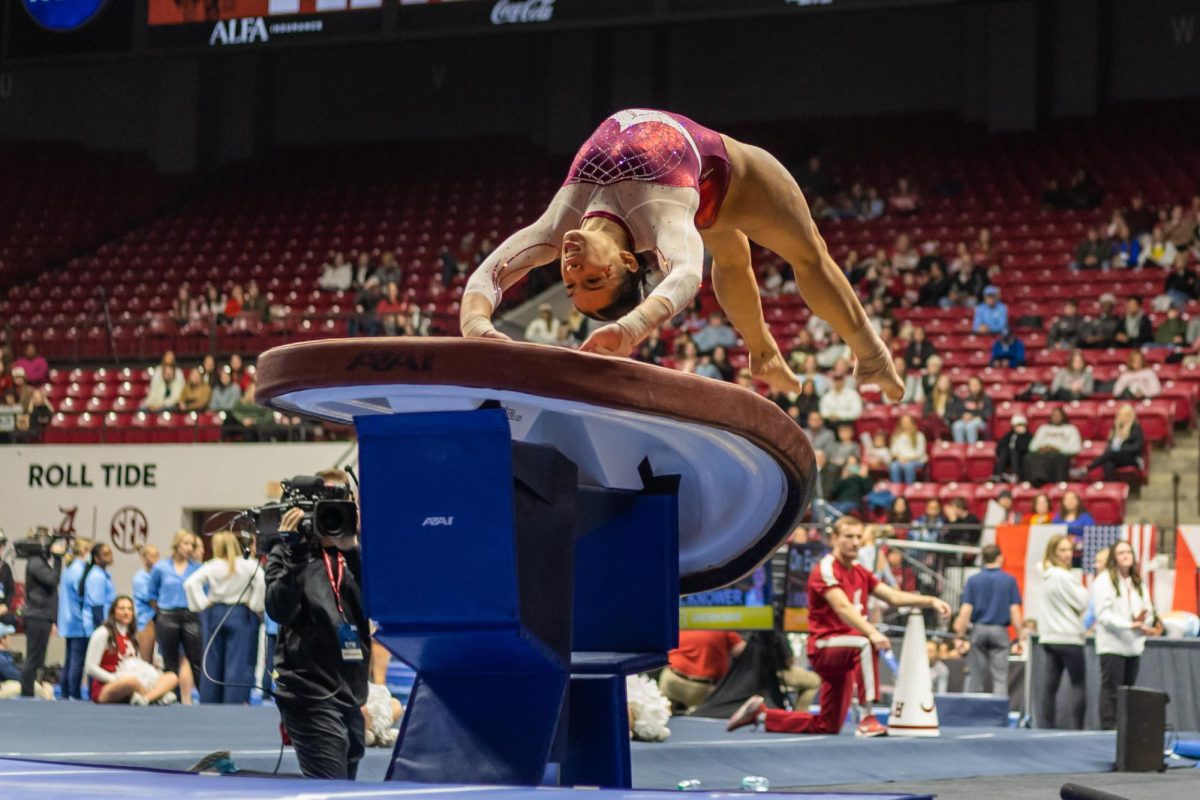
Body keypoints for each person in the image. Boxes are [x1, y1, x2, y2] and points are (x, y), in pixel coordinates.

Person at [460, 108, 904, 401]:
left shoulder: (559, 227)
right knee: (768, 257)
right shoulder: (662, 213)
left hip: (720, 178)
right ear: (628, 262)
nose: (572, 271)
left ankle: (856, 356)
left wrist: (476, 326)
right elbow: (688, 274)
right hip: (735, 186)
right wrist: (632, 330)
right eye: (592, 280)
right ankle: (850, 355)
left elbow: (488, 278)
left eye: (574, 285)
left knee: (795, 255)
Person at [726, 516, 950, 736]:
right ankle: (867, 718)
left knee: (828, 725)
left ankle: (762, 715)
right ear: (834, 538)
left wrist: (930, 600)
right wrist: (872, 632)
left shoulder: (860, 570)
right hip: (826, 647)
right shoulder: (826, 569)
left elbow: (892, 596)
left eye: (859, 537)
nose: (855, 542)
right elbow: (842, 607)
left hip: (847, 651)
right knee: (866, 643)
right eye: (849, 536)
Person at [267, 505, 371, 779]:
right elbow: (278, 609)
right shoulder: (286, 552)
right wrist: (296, 554)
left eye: (340, 507)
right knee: (331, 783)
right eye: (325, 509)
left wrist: (352, 549)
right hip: (308, 688)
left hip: (349, 687)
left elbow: (381, 603)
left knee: (347, 780)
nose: (332, 517)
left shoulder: (354, 556)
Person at [185, 531, 266, 704]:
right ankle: (235, 702)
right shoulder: (249, 564)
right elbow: (261, 582)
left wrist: (202, 604)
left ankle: (210, 701)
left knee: (211, 660)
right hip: (241, 614)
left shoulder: (212, 565)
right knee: (239, 661)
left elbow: (190, 583)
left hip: (215, 613)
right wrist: (255, 605)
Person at [1092, 541, 1161, 729]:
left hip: (1133, 645)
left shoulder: (1137, 581)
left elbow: (1148, 609)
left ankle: (1124, 730)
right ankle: (1108, 729)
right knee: (1112, 690)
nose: (1125, 555)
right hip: (1112, 645)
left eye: (1129, 552)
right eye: (1121, 552)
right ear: (1114, 557)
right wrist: (1130, 625)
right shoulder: (1104, 580)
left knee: (1128, 692)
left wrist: (1144, 624)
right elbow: (1103, 615)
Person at [953, 544, 1023, 696]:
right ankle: (998, 715)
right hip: (999, 631)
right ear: (1000, 557)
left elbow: (966, 610)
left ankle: (972, 713)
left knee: (975, 677)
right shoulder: (1009, 580)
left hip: (979, 629)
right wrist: (1020, 637)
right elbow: (1015, 611)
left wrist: (960, 635)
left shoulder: (973, 580)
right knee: (1000, 678)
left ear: (983, 559)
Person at [1035, 534, 1089, 729]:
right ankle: (1078, 729)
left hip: (1049, 637)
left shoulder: (1044, 574)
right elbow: (1083, 601)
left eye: (1069, 550)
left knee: (1050, 686)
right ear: (1053, 552)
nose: (1068, 554)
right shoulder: (1064, 577)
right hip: (1069, 637)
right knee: (1078, 685)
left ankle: (1045, 727)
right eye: (1062, 550)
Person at [84, 596, 179, 705]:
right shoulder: (102, 633)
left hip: (134, 685)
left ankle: (146, 698)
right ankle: (158, 697)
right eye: (122, 608)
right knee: (131, 682)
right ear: (113, 612)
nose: (126, 612)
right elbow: (90, 668)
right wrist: (115, 679)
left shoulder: (132, 636)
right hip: (107, 686)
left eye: (129, 609)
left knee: (172, 677)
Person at [148, 530, 203, 705]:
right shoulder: (161, 567)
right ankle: (171, 696)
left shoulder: (198, 568)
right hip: (167, 615)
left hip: (190, 615)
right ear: (177, 544)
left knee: (196, 659)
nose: (189, 548)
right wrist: (162, 611)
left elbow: (203, 594)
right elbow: (152, 594)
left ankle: (204, 697)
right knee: (169, 660)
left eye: (192, 545)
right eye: (185, 543)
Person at [19, 533, 66, 697]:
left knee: (37, 658)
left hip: (42, 615)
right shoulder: (35, 563)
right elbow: (53, 580)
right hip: (37, 615)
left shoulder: (39, 562)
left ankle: (28, 691)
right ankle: (26, 693)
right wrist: (58, 559)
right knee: (33, 658)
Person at [659, 630, 746, 712]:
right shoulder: (722, 627)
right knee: (703, 721)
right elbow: (741, 650)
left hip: (671, 677)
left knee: (661, 715)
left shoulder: (684, 621)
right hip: (699, 687)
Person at [56, 538, 93, 699]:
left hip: (67, 621)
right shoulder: (80, 571)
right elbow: (82, 596)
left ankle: (65, 692)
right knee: (77, 660)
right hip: (78, 622)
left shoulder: (69, 569)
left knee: (70, 659)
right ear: (85, 550)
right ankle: (74, 693)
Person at [1082, 404, 1145, 481]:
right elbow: (1110, 444)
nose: (1121, 417)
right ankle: (1111, 486)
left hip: (1131, 458)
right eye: (1120, 415)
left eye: (1124, 415)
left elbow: (1137, 447)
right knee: (1109, 463)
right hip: (1115, 457)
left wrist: (1121, 449)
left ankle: (1087, 468)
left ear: (1130, 416)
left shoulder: (1135, 428)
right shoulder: (1115, 427)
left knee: (1111, 453)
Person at [1024, 407, 1081, 486]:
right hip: (1042, 454)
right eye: (1054, 415)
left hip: (1060, 455)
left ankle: (1055, 484)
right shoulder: (1043, 428)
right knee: (1029, 457)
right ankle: (1037, 483)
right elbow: (1032, 447)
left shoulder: (1071, 429)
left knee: (1057, 457)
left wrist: (1057, 449)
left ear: (1063, 416)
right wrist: (1042, 448)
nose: (1056, 417)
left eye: (1058, 415)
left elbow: (1075, 448)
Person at [132, 545, 160, 662]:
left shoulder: (159, 575)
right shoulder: (140, 578)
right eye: (152, 556)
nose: (156, 559)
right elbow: (153, 600)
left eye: (157, 555)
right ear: (144, 559)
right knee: (146, 660)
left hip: (159, 620)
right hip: (146, 622)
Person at [950, 376, 993, 444]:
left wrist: (973, 416)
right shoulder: (965, 398)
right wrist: (963, 415)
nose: (974, 386)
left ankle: (971, 449)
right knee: (956, 425)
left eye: (976, 384)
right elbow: (957, 412)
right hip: (965, 420)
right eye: (972, 384)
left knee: (971, 426)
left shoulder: (986, 398)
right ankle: (960, 448)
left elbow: (988, 413)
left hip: (980, 422)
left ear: (980, 385)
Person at [888, 414, 927, 484]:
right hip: (900, 459)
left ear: (912, 423)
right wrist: (900, 458)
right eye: (903, 422)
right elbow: (893, 451)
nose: (905, 424)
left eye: (907, 422)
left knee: (908, 466)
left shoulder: (919, 436)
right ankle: (897, 489)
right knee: (894, 466)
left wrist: (907, 459)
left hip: (916, 460)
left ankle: (909, 489)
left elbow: (919, 453)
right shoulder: (897, 436)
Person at [993, 415, 1031, 483]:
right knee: (1004, 452)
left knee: (1014, 451)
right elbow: (999, 447)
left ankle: (1015, 475)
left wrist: (1021, 436)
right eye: (1017, 425)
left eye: (1021, 425)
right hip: (1008, 457)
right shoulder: (1009, 435)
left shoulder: (1028, 436)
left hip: (1021, 457)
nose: (1019, 427)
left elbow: (1027, 448)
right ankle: (998, 475)